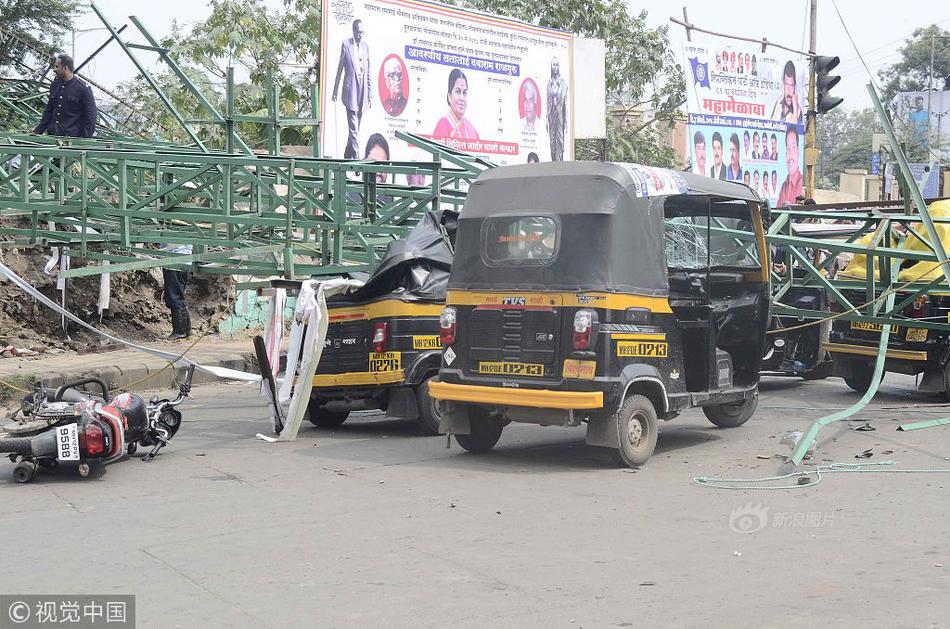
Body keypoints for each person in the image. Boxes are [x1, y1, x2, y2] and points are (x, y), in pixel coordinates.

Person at [332, 19, 372, 159]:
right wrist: (335, 90)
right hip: (350, 91)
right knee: (354, 128)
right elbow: (340, 68)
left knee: (356, 128)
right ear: (353, 31)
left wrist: (370, 95)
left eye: (362, 32)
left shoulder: (366, 47)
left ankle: (347, 154)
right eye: (358, 32)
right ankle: (356, 158)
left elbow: (368, 73)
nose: (360, 35)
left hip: (362, 91)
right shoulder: (346, 44)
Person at [33, 54, 96, 138]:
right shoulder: (55, 85)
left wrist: (84, 140)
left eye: (57, 67)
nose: (54, 70)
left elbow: (90, 116)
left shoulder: (83, 88)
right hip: (52, 136)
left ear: (65, 68)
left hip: (71, 139)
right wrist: (38, 131)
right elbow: (49, 111)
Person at [433, 68, 478, 141]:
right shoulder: (443, 125)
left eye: (464, 93)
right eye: (458, 92)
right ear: (449, 96)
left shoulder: (471, 129)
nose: (462, 98)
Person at [161, 243, 192, 340]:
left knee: (173, 297)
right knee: (178, 295)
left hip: (174, 261)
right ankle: (187, 330)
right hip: (184, 260)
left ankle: (180, 331)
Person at [546, 57, 568, 161]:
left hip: (559, 114)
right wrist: (547, 117)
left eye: (557, 65)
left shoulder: (562, 82)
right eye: (554, 65)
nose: (555, 67)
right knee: (552, 141)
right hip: (551, 114)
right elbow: (547, 100)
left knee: (559, 139)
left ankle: (560, 161)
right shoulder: (549, 82)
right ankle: (553, 161)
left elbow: (564, 100)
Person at [777, 128, 804, 207]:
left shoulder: (801, 184)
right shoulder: (783, 186)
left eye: (793, 147)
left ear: (798, 151)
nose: (790, 154)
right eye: (788, 148)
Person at [771, 60, 802, 124]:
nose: (789, 90)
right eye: (786, 84)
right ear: (783, 84)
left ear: (795, 87)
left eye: (791, 85)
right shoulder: (778, 103)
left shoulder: (798, 111)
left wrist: (795, 108)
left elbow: (796, 131)